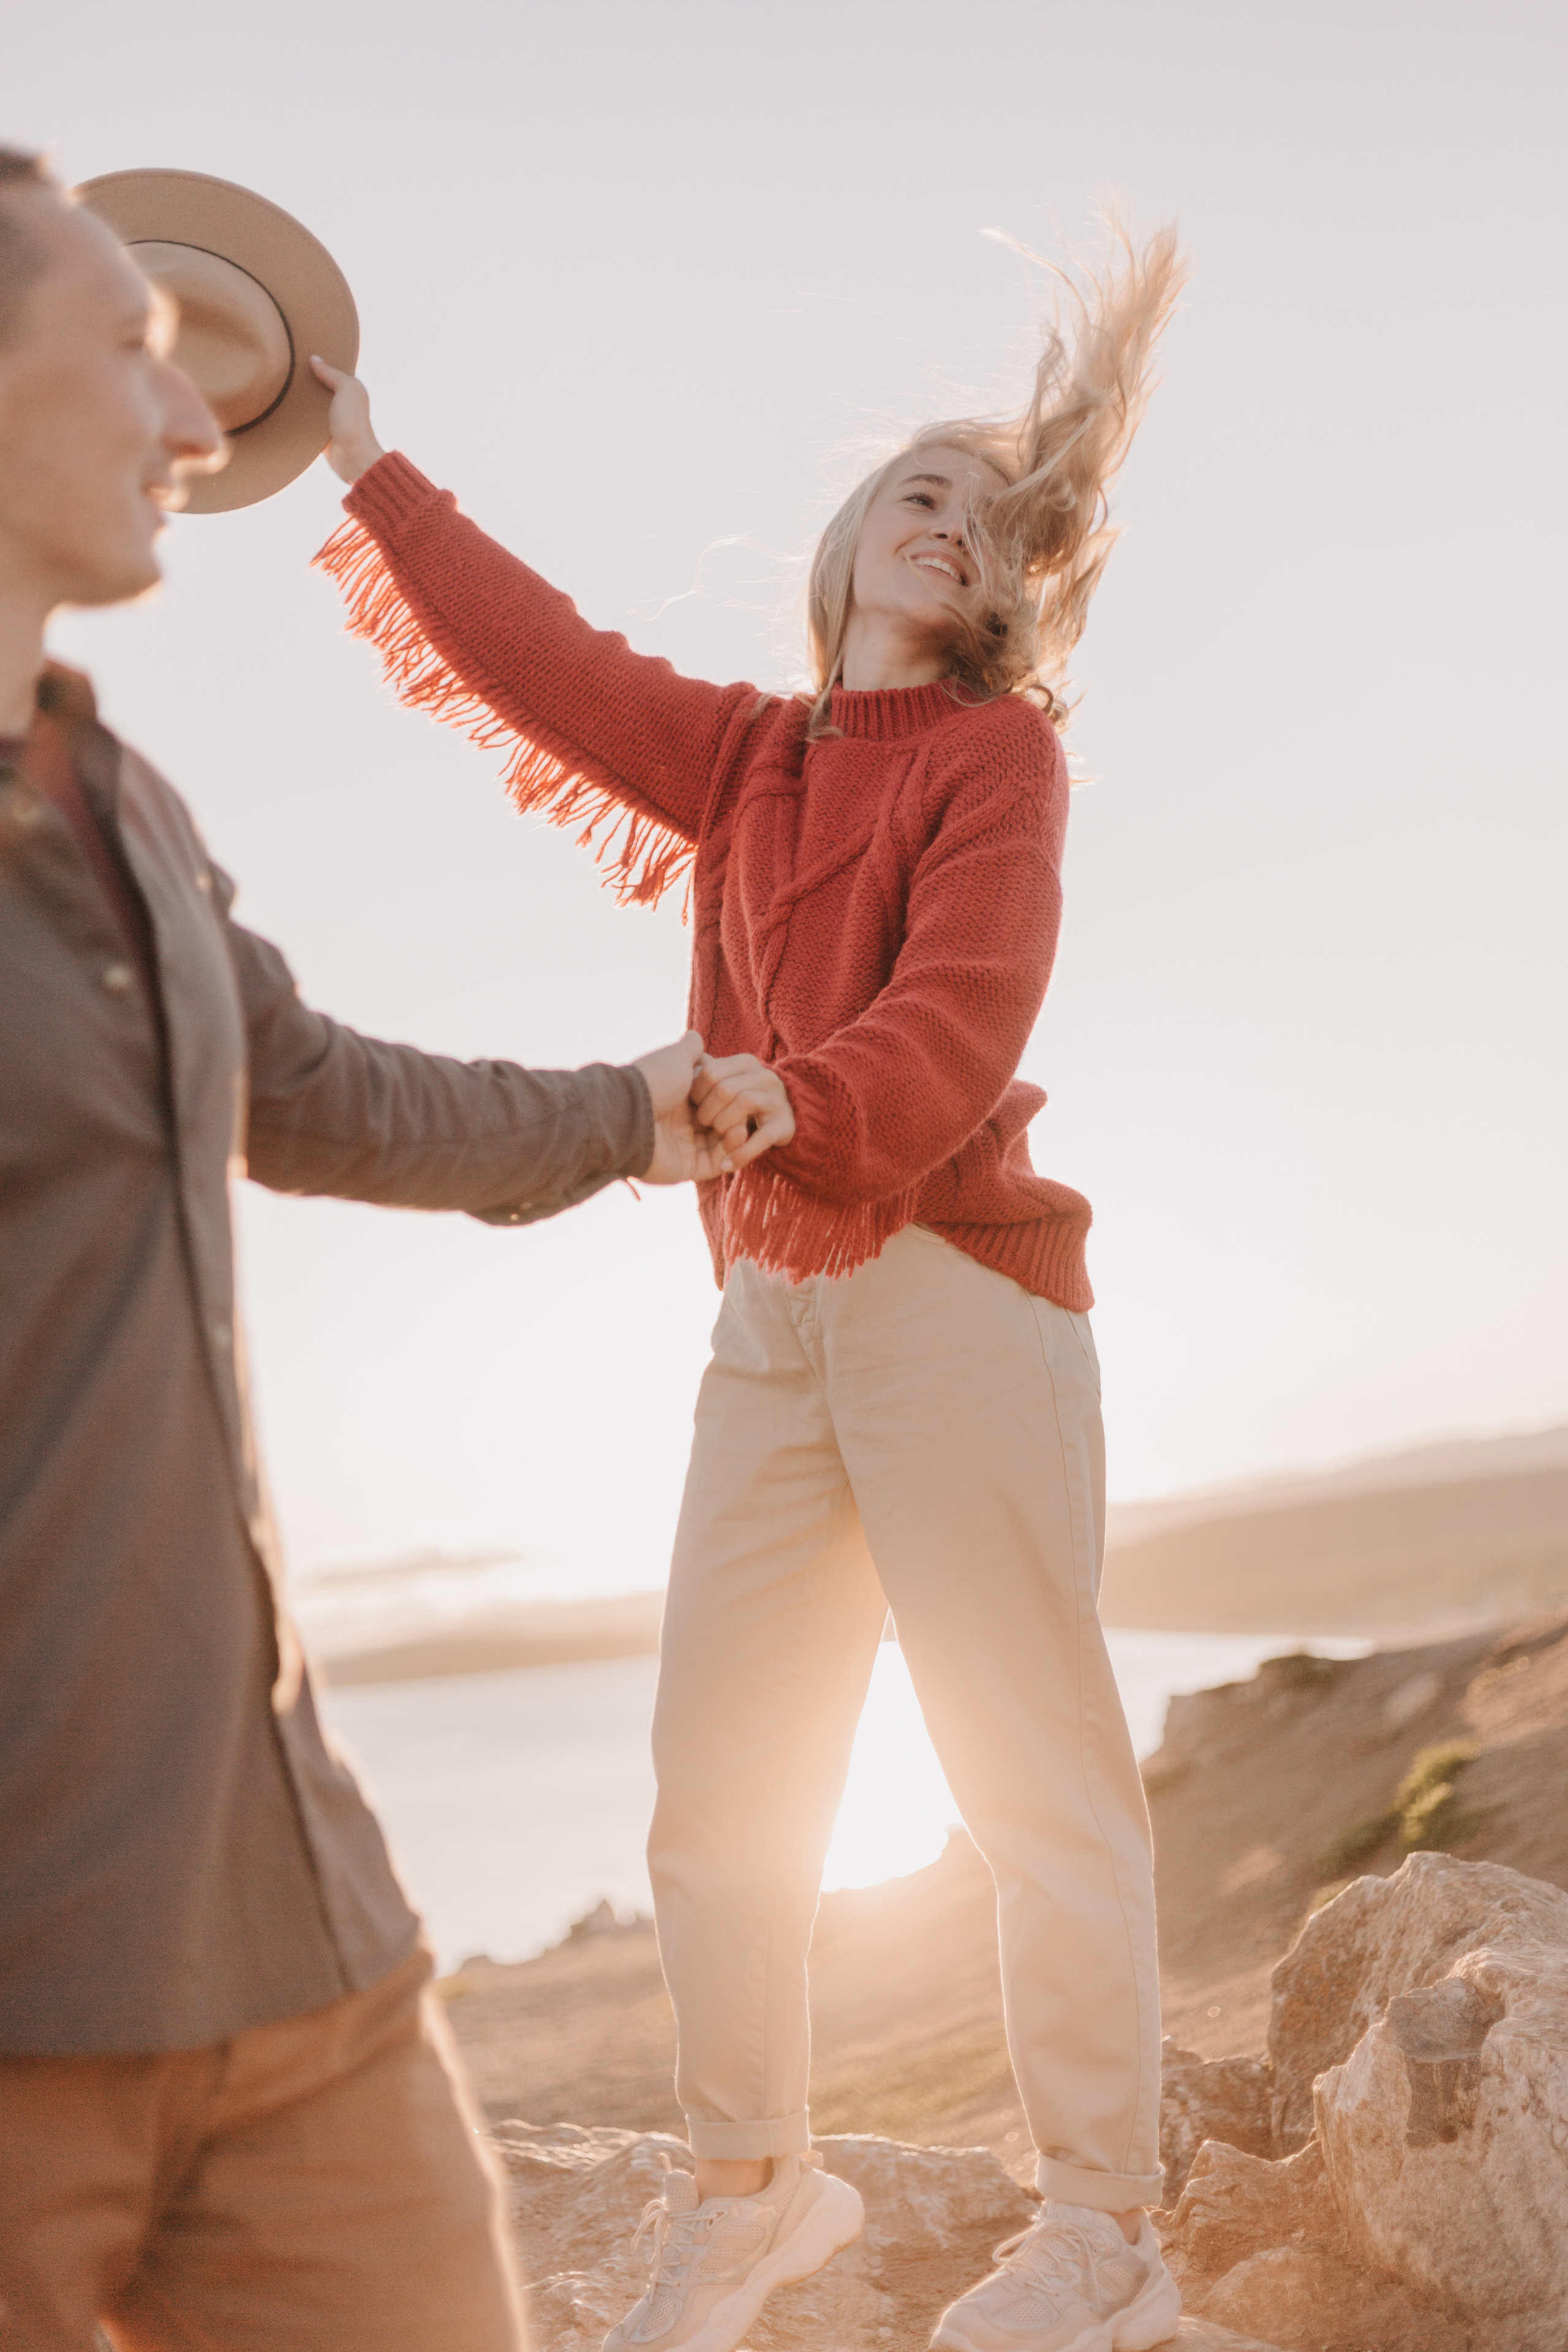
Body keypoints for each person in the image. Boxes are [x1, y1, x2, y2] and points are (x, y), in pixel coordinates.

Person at [314, 213, 1187, 2352]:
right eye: (920, 488)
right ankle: (754, 2196)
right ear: (848, 536)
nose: (948, 523)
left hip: (959, 1289)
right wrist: (360, 461)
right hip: (772, 1311)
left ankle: (1106, 2233)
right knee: (722, 1784)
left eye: (992, 524)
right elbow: (546, 660)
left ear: (1010, 598)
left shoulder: (1002, 764)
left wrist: (791, 1112)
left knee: (1032, 1779)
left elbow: (966, 1016)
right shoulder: (745, 766)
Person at [0, 148, 728, 2352]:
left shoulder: (121, 805)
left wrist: (634, 1117)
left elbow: (312, 1084)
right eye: (131, 355)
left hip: (299, 1963)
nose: (195, 427)